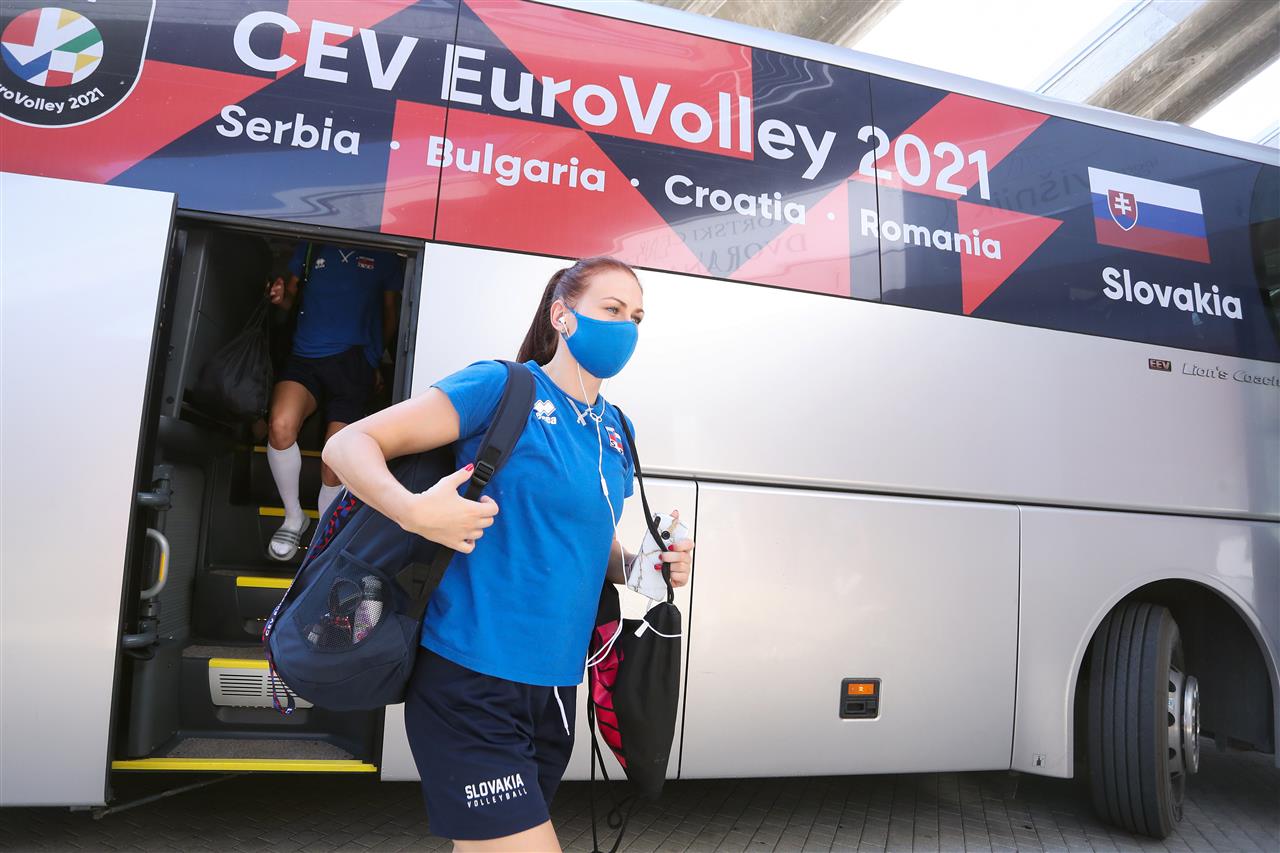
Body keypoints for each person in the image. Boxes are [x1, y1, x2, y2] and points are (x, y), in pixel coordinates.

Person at [320, 256, 695, 851]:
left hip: (556, 689)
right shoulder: (502, 387)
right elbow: (347, 444)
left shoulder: (617, 429)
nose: (626, 327)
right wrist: (414, 510)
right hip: (470, 677)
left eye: (637, 317)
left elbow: (596, 547)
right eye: (612, 309)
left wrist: (644, 565)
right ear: (562, 316)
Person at [264, 242, 402, 561]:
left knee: (335, 461)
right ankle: (294, 517)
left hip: (354, 362)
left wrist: (375, 358)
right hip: (304, 356)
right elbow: (290, 299)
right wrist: (280, 297)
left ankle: (323, 532)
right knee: (280, 427)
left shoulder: (384, 254)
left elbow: (390, 312)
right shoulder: (313, 245)